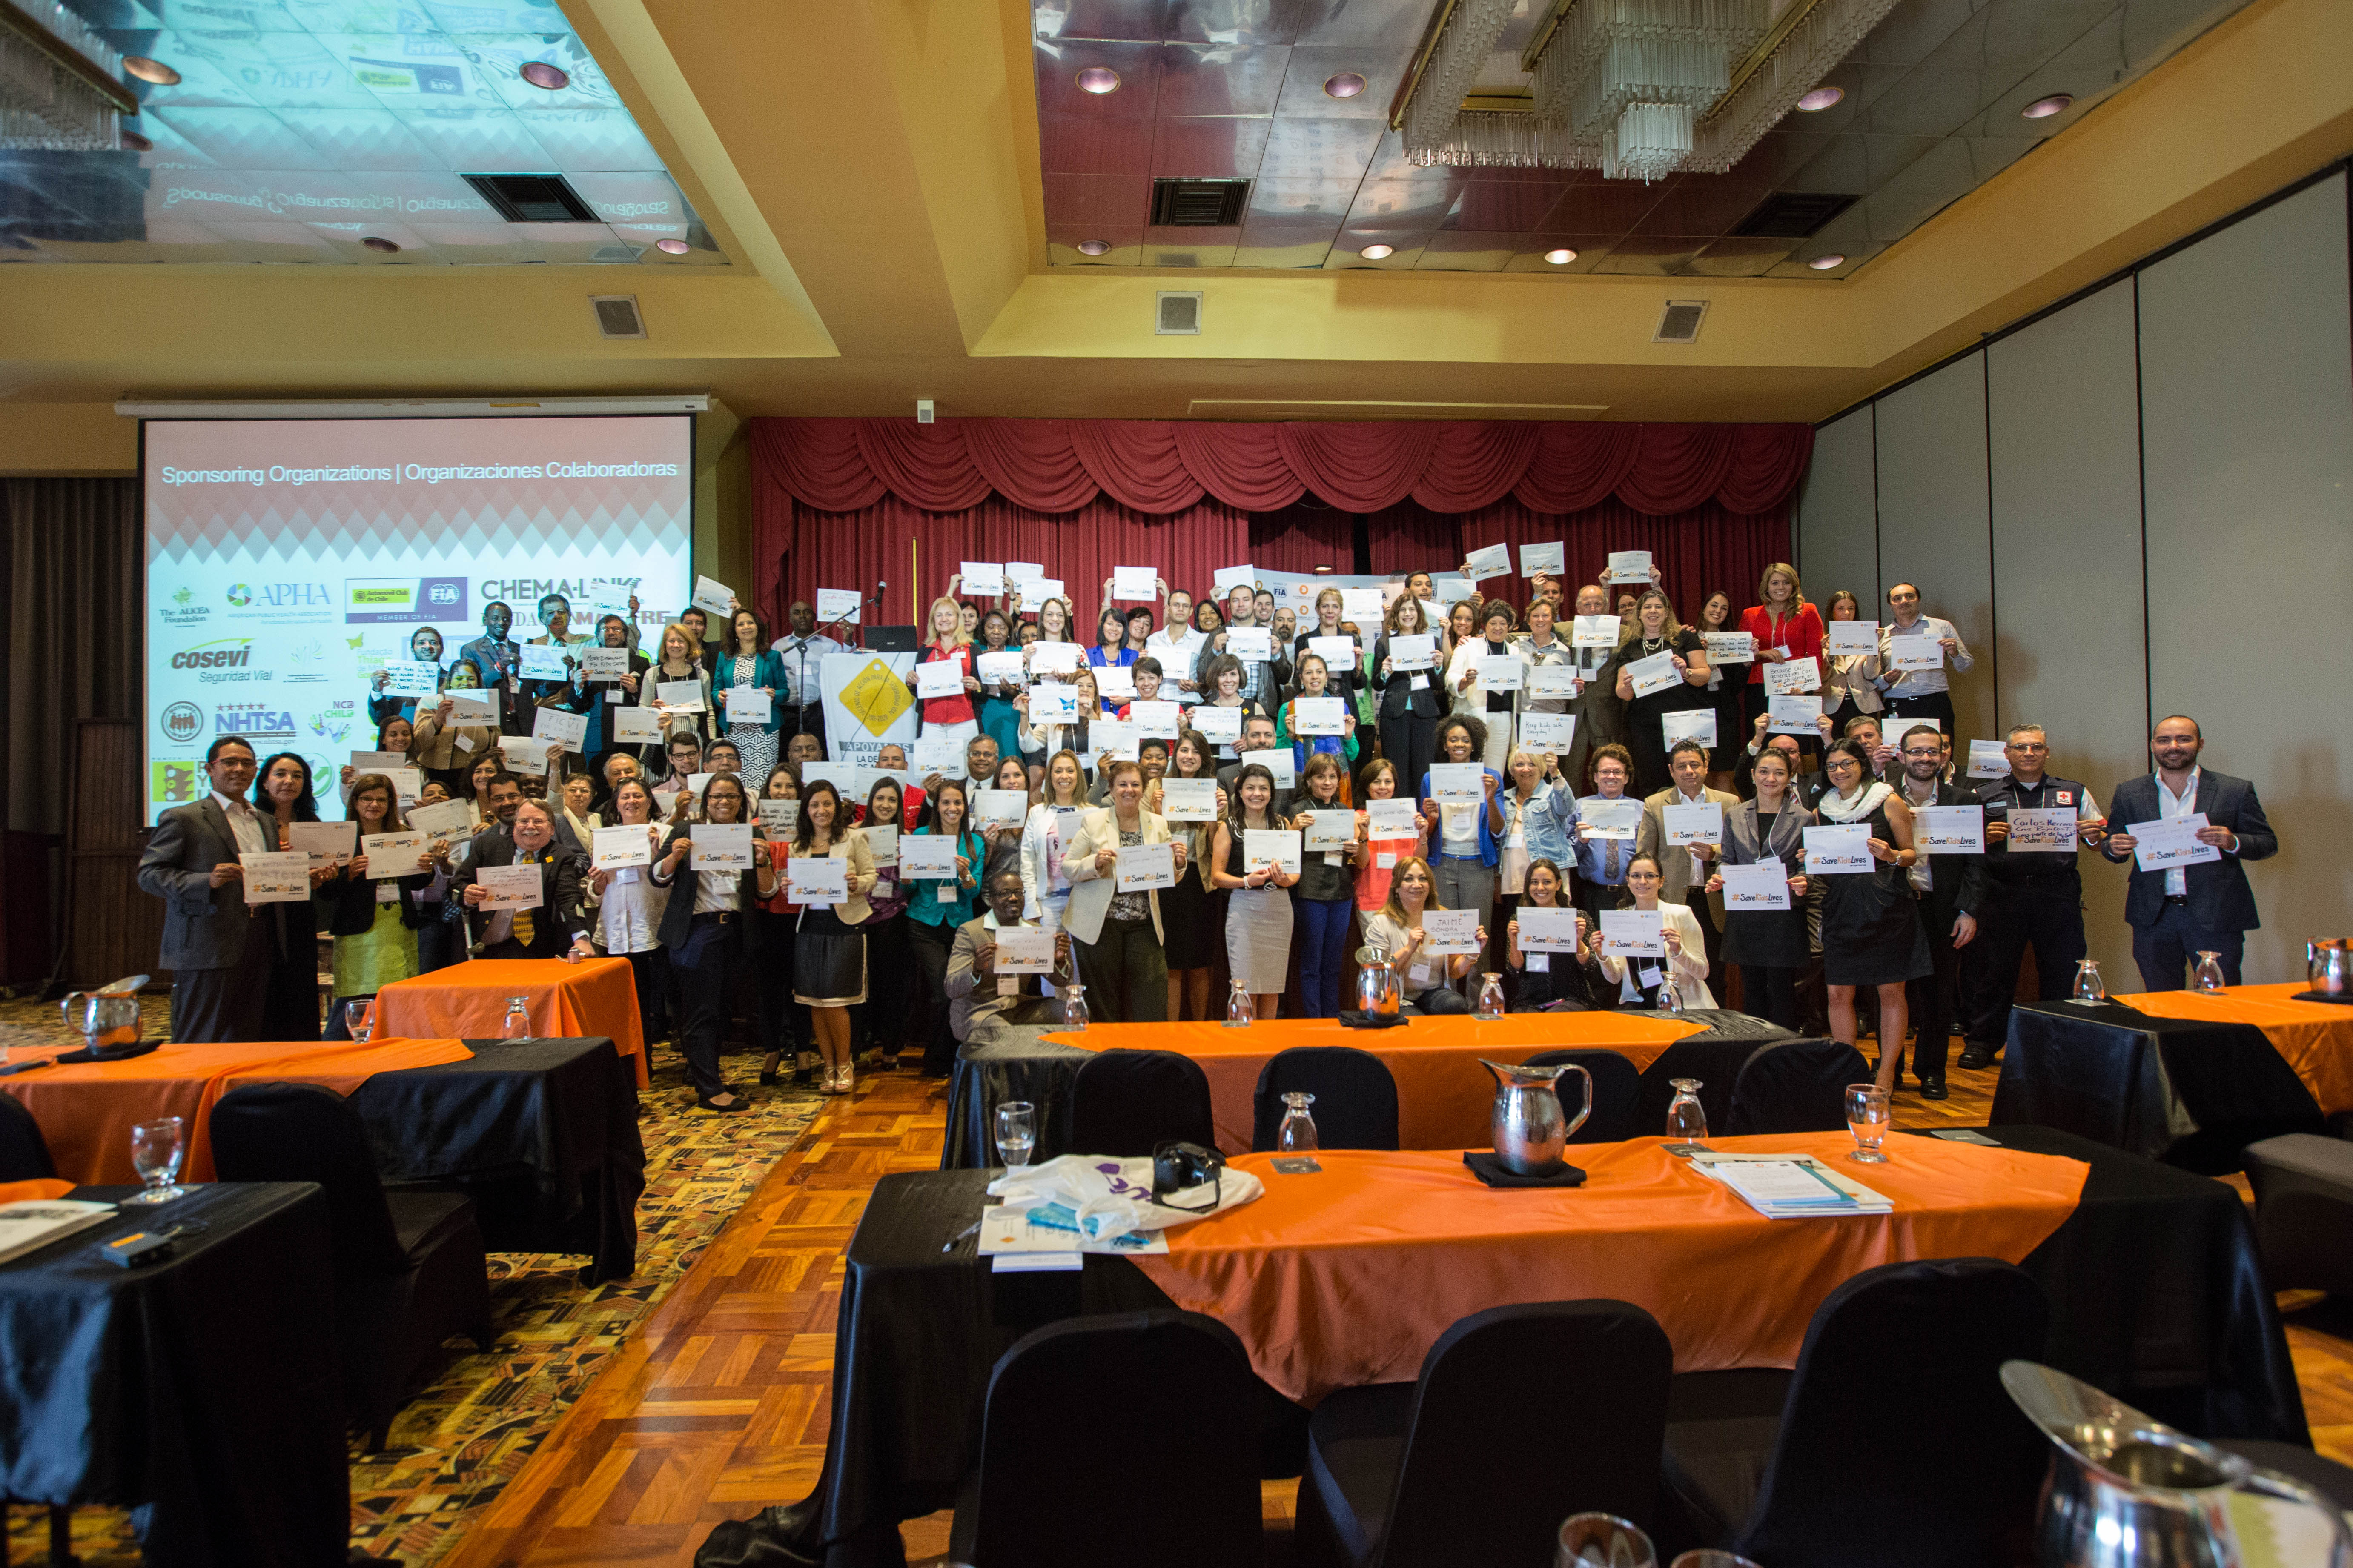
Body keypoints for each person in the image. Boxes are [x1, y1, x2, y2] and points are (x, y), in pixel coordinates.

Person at [137, 737, 306, 1042]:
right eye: (230, 762)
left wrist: (306, 879)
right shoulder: (184, 817)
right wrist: (206, 881)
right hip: (208, 943)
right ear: (209, 769)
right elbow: (150, 874)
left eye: (247, 763)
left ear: (256, 771)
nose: (239, 769)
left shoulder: (265, 821)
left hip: (262, 938)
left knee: (247, 1036)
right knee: (201, 1037)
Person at [1960, 724, 2108, 1067]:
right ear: (2006, 753)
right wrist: (1985, 837)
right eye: (2021, 747)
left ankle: (2063, 1042)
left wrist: (2093, 835)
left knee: (2061, 970)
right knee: (1993, 973)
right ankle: (1982, 1042)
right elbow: (1966, 851)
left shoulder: (2073, 792)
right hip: (2001, 894)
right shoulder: (1982, 795)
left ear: (2047, 752)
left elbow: (2099, 843)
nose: (2029, 753)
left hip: (2056, 893)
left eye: (2036, 747)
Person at [2098, 715, 2279, 990]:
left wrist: (2232, 842)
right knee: (2160, 1002)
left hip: (2215, 914)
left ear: (2199, 744)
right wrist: (2112, 847)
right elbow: (2111, 843)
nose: (2173, 746)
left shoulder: (2234, 790)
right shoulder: (2130, 792)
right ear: (2152, 746)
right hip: (2153, 915)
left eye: (2183, 739)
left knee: (2219, 1002)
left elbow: (2266, 843)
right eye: (2164, 740)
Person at [646, 773, 776, 1111]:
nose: (724, 802)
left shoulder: (752, 835)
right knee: (701, 1011)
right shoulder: (685, 831)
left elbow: (767, 891)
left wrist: (763, 861)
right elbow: (656, 877)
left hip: (736, 932)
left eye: (732, 797)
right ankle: (708, 1089)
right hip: (696, 932)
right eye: (717, 796)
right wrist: (674, 856)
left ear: (741, 802)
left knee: (721, 1012)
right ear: (706, 801)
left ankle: (709, 1076)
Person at [1814, 737, 1928, 1089]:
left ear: (1861, 764)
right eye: (1832, 766)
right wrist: (1811, 860)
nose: (1839, 771)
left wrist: (1890, 854)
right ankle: (1847, 1071)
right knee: (1837, 993)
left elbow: (1911, 855)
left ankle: (1885, 1076)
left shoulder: (1886, 799)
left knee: (1890, 992)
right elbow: (1825, 864)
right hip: (1840, 907)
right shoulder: (1823, 808)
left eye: (1846, 763)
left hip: (1886, 907)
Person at [1889, 724, 1983, 1098]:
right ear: (1901, 755)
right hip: (1894, 908)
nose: (1925, 758)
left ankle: (1932, 1072)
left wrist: (1969, 911)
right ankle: (1890, 1072)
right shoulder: (1883, 799)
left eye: (1932, 751)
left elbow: (1977, 864)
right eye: (1916, 752)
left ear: (1944, 756)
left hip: (1943, 910)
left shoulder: (1965, 800)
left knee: (1938, 996)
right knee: (1891, 994)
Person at [1060, 758, 1187, 1022]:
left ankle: (1149, 1056)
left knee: (1151, 998)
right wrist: (1093, 864)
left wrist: (1178, 863)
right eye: (1122, 785)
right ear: (1111, 788)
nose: (1129, 790)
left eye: (1135, 785)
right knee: (1103, 1003)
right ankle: (1107, 1059)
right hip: (1099, 923)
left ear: (1144, 788)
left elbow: (1170, 877)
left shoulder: (1158, 823)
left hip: (1143, 922)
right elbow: (1068, 868)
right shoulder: (1094, 822)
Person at [1706, 747, 1814, 1030]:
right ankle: (1754, 1052)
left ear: (1789, 778)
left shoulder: (1803, 817)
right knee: (1751, 990)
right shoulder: (1735, 814)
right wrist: (1719, 878)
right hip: (1746, 913)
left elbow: (1808, 866)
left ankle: (1783, 1055)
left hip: (1783, 916)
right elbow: (1726, 860)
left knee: (1782, 991)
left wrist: (1805, 881)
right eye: (1764, 772)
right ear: (1753, 775)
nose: (1770, 778)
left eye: (1779, 773)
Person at [789, 780, 880, 1095]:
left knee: (837, 1002)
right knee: (814, 1002)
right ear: (806, 810)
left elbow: (872, 877)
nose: (821, 811)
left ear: (836, 807)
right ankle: (827, 1068)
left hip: (846, 926)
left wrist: (856, 882)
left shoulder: (854, 838)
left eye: (826, 804)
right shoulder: (798, 846)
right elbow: (796, 889)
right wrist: (790, 885)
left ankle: (845, 1065)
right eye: (814, 805)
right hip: (810, 927)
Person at [586, 777, 671, 1069]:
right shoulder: (605, 838)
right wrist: (596, 885)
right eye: (625, 797)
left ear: (649, 801)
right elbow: (597, 893)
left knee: (666, 1003)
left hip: (655, 930)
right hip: (617, 933)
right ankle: (637, 1067)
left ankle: (687, 1063)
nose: (631, 801)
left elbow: (673, 881)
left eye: (638, 796)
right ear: (616, 804)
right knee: (627, 1008)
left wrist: (658, 853)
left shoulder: (665, 832)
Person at [1635, 738, 1738, 974]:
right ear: (1671, 771)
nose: (1689, 771)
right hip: (1672, 899)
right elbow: (1646, 857)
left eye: (1695, 765)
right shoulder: (1655, 804)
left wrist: (1715, 852)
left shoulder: (1729, 802)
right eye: (1681, 766)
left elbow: (1739, 853)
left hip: (1714, 900)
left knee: (1713, 972)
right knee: (1672, 970)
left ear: (1706, 767)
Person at [1207, 761, 1299, 1021]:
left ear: (1272, 793)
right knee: (1244, 984)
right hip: (1244, 910)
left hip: (1279, 909)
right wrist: (1247, 882)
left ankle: (1267, 1045)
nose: (1257, 794)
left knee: (1272, 985)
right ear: (1240, 792)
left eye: (1263, 788)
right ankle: (1245, 1047)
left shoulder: (1283, 825)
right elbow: (1216, 876)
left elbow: (1295, 874)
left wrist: (1284, 881)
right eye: (1250, 788)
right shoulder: (1229, 827)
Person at [907, 779, 986, 1072]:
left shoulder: (974, 842)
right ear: (936, 806)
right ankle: (938, 1059)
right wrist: (905, 879)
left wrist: (965, 875)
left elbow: (973, 893)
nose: (952, 808)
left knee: (959, 990)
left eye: (957, 803)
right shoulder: (920, 835)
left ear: (965, 807)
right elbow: (911, 889)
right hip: (924, 923)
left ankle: (955, 1056)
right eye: (945, 803)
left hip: (959, 925)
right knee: (942, 990)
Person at [457, 798, 593, 962]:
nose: (530, 827)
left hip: (532, 948)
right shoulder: (487, 846)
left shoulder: (561, 856)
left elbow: (569, 898)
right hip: (483, 946)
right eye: (524, 821)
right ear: (514, 826)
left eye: (538, 821)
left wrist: (581, 938)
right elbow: (457, 884)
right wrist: (466, 895)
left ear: (552, 829)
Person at [946, 870, 1078, 1039]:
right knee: (1005, 1035)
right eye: (1005, 893)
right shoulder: (971, 932)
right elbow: (951, 987)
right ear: (991, 900)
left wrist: (1060, 961)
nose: (1014, 898)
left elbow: (1060, 982)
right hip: (981, 1012)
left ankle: (1058, 1065)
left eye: (1018, 892)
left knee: (1071, 1014)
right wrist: (976, 968)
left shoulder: (1034, 932)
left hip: (1019, 1007)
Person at [1611, 588, 1712, 798]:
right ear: (1639, 613)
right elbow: (1623, 693)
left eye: (1659, 607)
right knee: (1650, 778)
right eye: (1647, 607)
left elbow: (1704, 675)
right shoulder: (1630, 645)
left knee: (1688, 774)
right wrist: (1627, 686)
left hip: (1683, 719)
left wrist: (1687, 671)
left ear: (1667, 612)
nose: (1653, 611)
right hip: (1645, 724)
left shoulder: (1684, 638)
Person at [1157, 731, 1228, 1021]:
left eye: (1195, 752)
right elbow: (1146, 836)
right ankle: (1172, 1031)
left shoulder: (1214, 791)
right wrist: (1154, 811)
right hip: (1167, 881)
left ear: (1204, 758)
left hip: (1201, 883)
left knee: (1200, 961)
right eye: (1184, 750)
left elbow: (1219, 849)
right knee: (1171, 961)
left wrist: (1214, 820)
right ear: (1176, 755)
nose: (1188, 756)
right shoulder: (1157, 787)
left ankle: (1198, 1027)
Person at [1588, 853, 1715, 1010]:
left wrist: (1679, 951)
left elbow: (1702, 973)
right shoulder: (1621, 918)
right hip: (1639, 1002)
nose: (1642, 882)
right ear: (1628, 881)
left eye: (1650, 876)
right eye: (1636, 876)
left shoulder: (1681, 914)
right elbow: (1614, 978)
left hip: (1681, 1003)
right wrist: (1602, 954)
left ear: (1661, 881)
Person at [1420, 714, 1505, 941]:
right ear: (1444, 745)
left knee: (1478, 938)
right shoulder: (1431, 779)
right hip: (1442, 862)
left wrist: (1491, 799)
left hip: (1478, 864)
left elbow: (1498, 830)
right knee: (1443, 938)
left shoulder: (1491, 778)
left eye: (1466, 740)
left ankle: (1479, 979)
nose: (1460, 745)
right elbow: (1425, 835)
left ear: (1474, 745)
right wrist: (1432, 818)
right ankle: (1446, 978)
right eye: (1454, 740)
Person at [1359, 856, 1480, 1014]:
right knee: (1414, 1020)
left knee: (1455, 1004)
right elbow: (1379, 974)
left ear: (1430, 885)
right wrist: (1408, 949)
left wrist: (1471, 954)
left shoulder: (1443, 917)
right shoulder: (1381, 922)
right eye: (1409, 879)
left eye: (1423, 879)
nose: (1417, 885)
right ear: (1396, 887)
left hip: (1432, 992)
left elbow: (1455, 971)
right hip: (1397, 995)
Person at [851, 775, 914, 1070]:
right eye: (880, 798)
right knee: (859, 986)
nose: (885, 805)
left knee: (891, 985)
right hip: (857, 917)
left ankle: (891, 1047)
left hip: (892, 921)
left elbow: (912, 888)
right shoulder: (852, 834)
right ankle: (855, 1048)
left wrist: (908, 871)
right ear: (870, 801)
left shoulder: (908, 839)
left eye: (892, 800)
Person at [751, 764, 809, 1084]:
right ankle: (772, 1051)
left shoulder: (807, 826)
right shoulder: (754, 827)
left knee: (800, 989)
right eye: (777, 787)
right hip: (766, 916)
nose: (783, 792)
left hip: (801, 917)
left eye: (789, 787)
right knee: (769, 990)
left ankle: (803, 1051)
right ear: (767, 791)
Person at [1288, 753, 1356, 1019]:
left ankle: (1332, 1019)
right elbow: (1285, 853)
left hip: (1342, 891)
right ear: (1309, 780)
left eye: (1332, 777)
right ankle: (1314, 1022)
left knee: (1333, 964)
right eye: (1321, 777)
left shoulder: (1343, 810)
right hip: (1311, 892)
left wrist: (1354, 847)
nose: (1327, 783)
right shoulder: (1299, 810)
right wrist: (1294, 829)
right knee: (1311, 964)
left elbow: (1355, 857)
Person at [1372, 591, 1446, 810]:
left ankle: (1424, 820)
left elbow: (1439, 685)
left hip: (1425, 713)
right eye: (1403, 609)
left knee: (1424, 770)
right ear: (1396, 614)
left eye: (1412, 609)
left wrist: (1439, 666)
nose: (1407, 614)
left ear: (1419, 614)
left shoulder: (1431, 641)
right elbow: (1377, 684)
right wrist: (1385, 672)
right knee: (1397, 770)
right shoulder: (1384, 643)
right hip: (1394, 714)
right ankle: (1400, 818)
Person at [1874, 581, 1973, 733]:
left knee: (1940, 753)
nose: (1904, 601)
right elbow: (1872, 682)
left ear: (1918, 599)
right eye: (1897, 598)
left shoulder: (1942, 627)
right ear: (1890, 605)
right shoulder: (1882, 635)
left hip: (1935, 702)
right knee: (1898, 755)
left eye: (1909, 596)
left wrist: (1955, 653)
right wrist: (1885, 680)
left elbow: (1966, 667)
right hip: (1898, 705)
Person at [1513, 596, 1589, 794]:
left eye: (1545, 616)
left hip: (1551, 720)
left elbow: (1569, 686)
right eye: (1535, 616)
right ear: (1528, 621)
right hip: (1522, 717)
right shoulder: (1516, 645)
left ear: (1553, 619)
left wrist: (1577, 688)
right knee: (1523, 769)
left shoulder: (1564, 651)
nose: (1540, 620)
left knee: (1548, 771)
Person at [1739, 563, 1823, 735]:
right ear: (1766, 587)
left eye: (1786, 582)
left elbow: (1816, 653)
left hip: (1797, 688)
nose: (1781, 588)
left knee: (1795, 744)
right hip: (1759, 687)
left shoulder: (1808, 611)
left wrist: (1807, 686)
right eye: (1775, 583)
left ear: (1794, 585)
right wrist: (1762, 654)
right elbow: (1742, 655)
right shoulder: (1750, 614)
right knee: (1762, 740)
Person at [1505, 860, 1599, 1010]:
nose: (1540, 888)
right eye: (1534, 882)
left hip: (1573, 999)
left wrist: (1578, 943)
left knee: (1553, 1019)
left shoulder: (1578, 918)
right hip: (1530, 1001)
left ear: (1559, 885)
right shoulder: (1518, 920)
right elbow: (1514, 970)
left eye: (1547, 882)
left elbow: (1592, 968)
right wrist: (1515, 943)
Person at [1445, 598, 1522, 772]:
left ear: (1509, 626)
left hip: (1503, 718)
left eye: (1503, 623)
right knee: (1468, 769)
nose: (1498, 628)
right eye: (1493, 623)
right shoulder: (1468, 646)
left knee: (1495, 772)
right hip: (1473, 716)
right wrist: (1465, 682)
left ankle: (1490, 800)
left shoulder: (1514, 651)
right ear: (1485, 625)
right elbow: (1450, 679)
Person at [714, 607, 787, 787]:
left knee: (763, 781)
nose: (746, 627)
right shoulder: (725, 657)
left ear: (758, 627)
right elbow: (715, 690)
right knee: (734, 781)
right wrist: (719, 696)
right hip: (734, 729)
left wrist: (774, 695)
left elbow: (785, 691)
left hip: (764, 731)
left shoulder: (773, 657)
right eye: (741, 624)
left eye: (750, 622)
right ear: (735, 630)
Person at [1192, 582, 1290, 714]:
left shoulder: (1271, 636)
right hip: (1225, 708)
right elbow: (1202, 676)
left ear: (1255, 604)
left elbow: (1285, 679)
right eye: (1236, 600)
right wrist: (1214, 651)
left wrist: (1276, 656)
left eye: (1246, 600)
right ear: (1229, 606)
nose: (1241, 605)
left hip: (1262, 708)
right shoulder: (1217, 635)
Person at [1352, 756, 1430, 921]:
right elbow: (1361, 863)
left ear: (1395, 786)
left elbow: (1419, 860)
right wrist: (1364, 834)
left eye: (1388, 782)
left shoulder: (1408, 815)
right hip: (1372, 899)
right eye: (1376, 782)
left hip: (1406, 899)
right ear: (1367, 786)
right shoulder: (1358, 818)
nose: (1383, 787)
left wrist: (1423, 835)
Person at [1018, 750, 1089, 929]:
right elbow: (1028, 862)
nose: (1064, 776)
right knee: (1049, 956)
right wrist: (1030, 906)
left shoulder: (1093, 812)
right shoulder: (1037, 813)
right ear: (1050, 777)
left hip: (1084, 900)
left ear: (1078, 775)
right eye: (1058, 771)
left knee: (1081, 958)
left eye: (1070, 770)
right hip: (1047, 903)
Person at [1571, 744, 1637, 921]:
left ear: (1626, 778)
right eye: (1605, 772)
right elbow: (1566, 856)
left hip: (1633, 893)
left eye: (1618, 772)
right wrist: (1580, 842)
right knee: (1597, 946)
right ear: (1595, 776)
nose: (1611, 776)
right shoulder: (1578, 808)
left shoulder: (1641, 810)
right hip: (1594, 894)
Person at [771, 599, 846, 753]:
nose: (802, 616)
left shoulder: (830, 646)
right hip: (788, 712)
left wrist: (849, 639)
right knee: (789, 755)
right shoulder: (779, 647)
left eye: (807, 612)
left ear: (814, 616)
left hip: (818, 711)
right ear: (790, 619)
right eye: (797, 613)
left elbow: (845, 668)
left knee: (820, 754)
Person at [1691, 590, 1748, 790]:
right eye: (1714, 605)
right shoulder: (1689, 638)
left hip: (1725, 712)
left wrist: (1746, 664)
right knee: (1697, 768)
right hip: (1697, 709)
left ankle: (1723, 819)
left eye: (1724, 608)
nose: (1718, 611)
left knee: (1724, 769)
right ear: (1704, 609)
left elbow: (1737, 687)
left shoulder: (1733, 642)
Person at [1274, 652, 1360, 779]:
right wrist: (1291, 735)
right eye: (1309, 673)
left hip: (1333, 778)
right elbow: (1279, 754)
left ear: (1327, 677)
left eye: (1319, 672)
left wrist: (1347, 736)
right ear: (1302, 679)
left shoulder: (1340, 708)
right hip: (1299, 777)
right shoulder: (1288, 709)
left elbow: (1353, 754)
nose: (1315, 677)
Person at [911, 596, 980, 746]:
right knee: (933, 768)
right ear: (933, 621)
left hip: (964, 721)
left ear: (958, 619)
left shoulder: (972, 649)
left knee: (965, 769)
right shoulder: (925, 650)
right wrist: (911, 683)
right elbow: (918, 691)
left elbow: (985, 687)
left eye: (949, 614)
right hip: (931, 723)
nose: (944, 619)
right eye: (939, 615)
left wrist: (977, 686)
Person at [1818, 589, 1886, 739]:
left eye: (1851, 609)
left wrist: (1873, 647)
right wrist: (1828, 652)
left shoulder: (1867, 636)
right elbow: (1821, 678)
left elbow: (1871, 674)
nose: (1847, 613)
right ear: (1832, 612)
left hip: (1863, 704)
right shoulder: (1822, 640)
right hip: (1832, 705)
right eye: (1841, 609)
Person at [410, 684, 499, 796]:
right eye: (459, 678)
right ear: (451, 680)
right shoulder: (430, 702)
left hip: (473, 777)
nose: (466, 683)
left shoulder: (486, 703)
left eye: (471, 678)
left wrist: (489, 756)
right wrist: (437, 720)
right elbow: (419, 744)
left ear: (478, 682)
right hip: (436, 775)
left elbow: (495, 738)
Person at [1292, 588, 1367, 711]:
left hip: (1346, 704)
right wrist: (1299, 664)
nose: (1330, 611)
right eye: (1325, 606)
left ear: (1341, 611)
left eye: (1335, 607)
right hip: (1313, 704)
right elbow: (1297, 684)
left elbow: (1359, 685)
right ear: (1317, 610)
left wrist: (1359, 667)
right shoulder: (1304, 641)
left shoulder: (1353, 640)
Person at [969, 608, 1026, 767]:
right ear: (984, 630)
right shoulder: (975, 650)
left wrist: (1010, 690)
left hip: (1011, 712)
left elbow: (1025, 690)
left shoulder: (1018, 653)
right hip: (983, 710)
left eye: (1002, 628)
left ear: (1009, 631)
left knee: (1010, 757)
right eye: (991, 627)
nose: (996, 632)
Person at [645, 622, 714, 748]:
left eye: (681, 641)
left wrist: (712, 743)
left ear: (689, 645)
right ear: (665, 645)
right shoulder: (652, 674)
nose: (676, 645)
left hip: (695, 739)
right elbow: (643, 707)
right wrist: (653, 711)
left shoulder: (702, 675)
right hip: (660, 740)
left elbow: (709, 711)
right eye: (671, 641)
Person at [367, 626, 448, 727]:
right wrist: (377, 691)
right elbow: (379, 720)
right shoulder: (395, 679)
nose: (428, 646)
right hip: (405, 741)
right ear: (412, 649)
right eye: (421, 643)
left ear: (442, 649)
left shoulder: (453, 680)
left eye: (433, 643)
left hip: (442, 741)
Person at [1193, 654, 1263, 762]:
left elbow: (1267, 742)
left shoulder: (1255, 709)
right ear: (1215, 678)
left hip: (1246, 767)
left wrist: (1250, 744)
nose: (1229, 680)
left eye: (1233, 674)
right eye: (1222, 675)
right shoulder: (1204, 712)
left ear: (1240, 677)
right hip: (1213, 769)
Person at [1145, 589, 1204, 706]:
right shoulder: (1153, 640)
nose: (1181, 609)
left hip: (1189, 704)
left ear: (1191, 611)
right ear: (1168, 608)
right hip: (1158, 703)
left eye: (1185, 606)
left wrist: (1195, 686)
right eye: (1176, 605)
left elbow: (1211, 680)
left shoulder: (1202, 640)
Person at [1083, 606, 1136, 709]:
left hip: (1126, 715)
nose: (1114, 629)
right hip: (1095, 713)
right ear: (1102, 626)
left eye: (1119, 625)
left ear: (1124, 630)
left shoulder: (1135, 657)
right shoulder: (1088, 655)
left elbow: (1142, 689)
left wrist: (1129, 699)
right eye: (1110, 624)